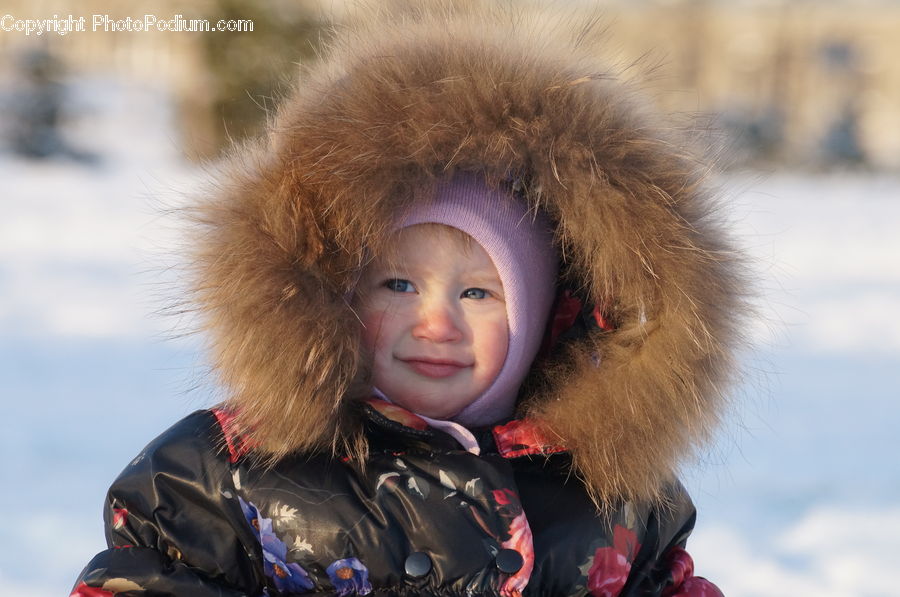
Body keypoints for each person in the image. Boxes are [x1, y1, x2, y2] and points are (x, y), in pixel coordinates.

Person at [72, 3, 746, 596]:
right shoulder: (229, 472)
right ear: (337, 296)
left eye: (479, 292)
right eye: (398, 284)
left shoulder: (610, 494)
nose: (435, 322)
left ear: (545, 321)